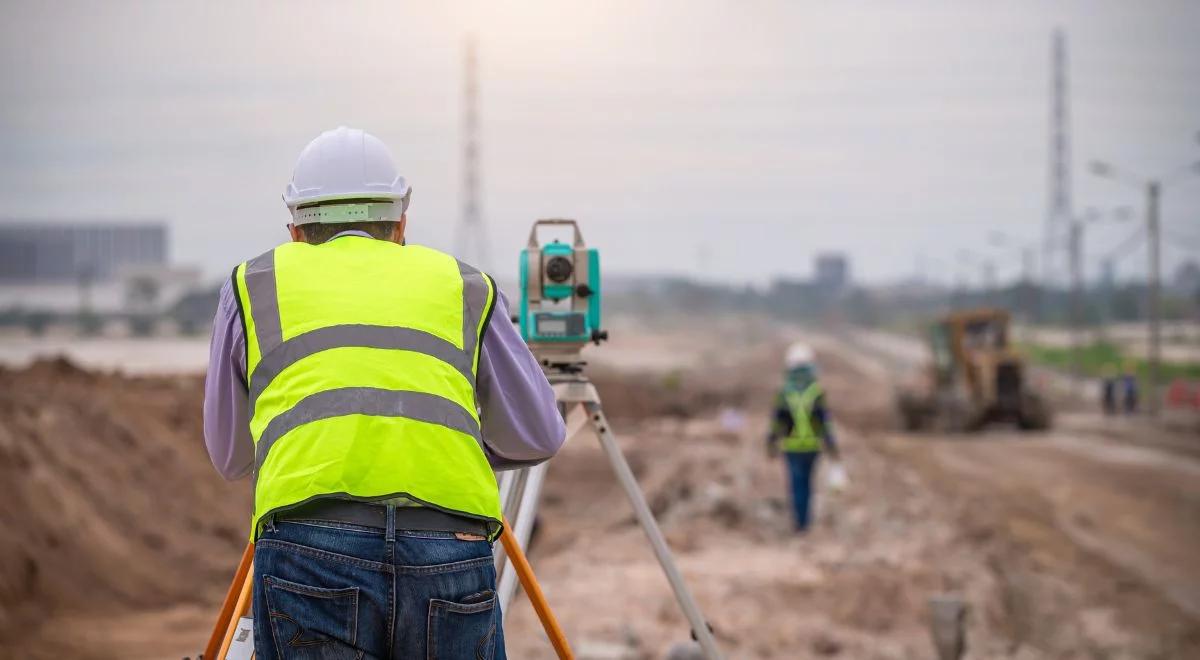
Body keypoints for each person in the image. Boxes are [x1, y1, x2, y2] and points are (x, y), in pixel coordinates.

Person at [202, 127, 565, 659]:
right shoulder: (463, 283)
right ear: (401, 222)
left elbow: (231, 457)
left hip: (308, 542)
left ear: (295, 229)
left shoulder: (253, 284)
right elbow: (539, 435)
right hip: (449, 542)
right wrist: (442, 441)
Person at [767, 342, 840, 532]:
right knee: (808, 484)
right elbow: (825, 422)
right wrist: (832, 447)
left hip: (792, 448)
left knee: (797, 485)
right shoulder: (816, 391)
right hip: (812, 448)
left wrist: (771, 443)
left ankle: (800, 524)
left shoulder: (785, 392)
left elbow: (777, 422)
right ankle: (805, 522)